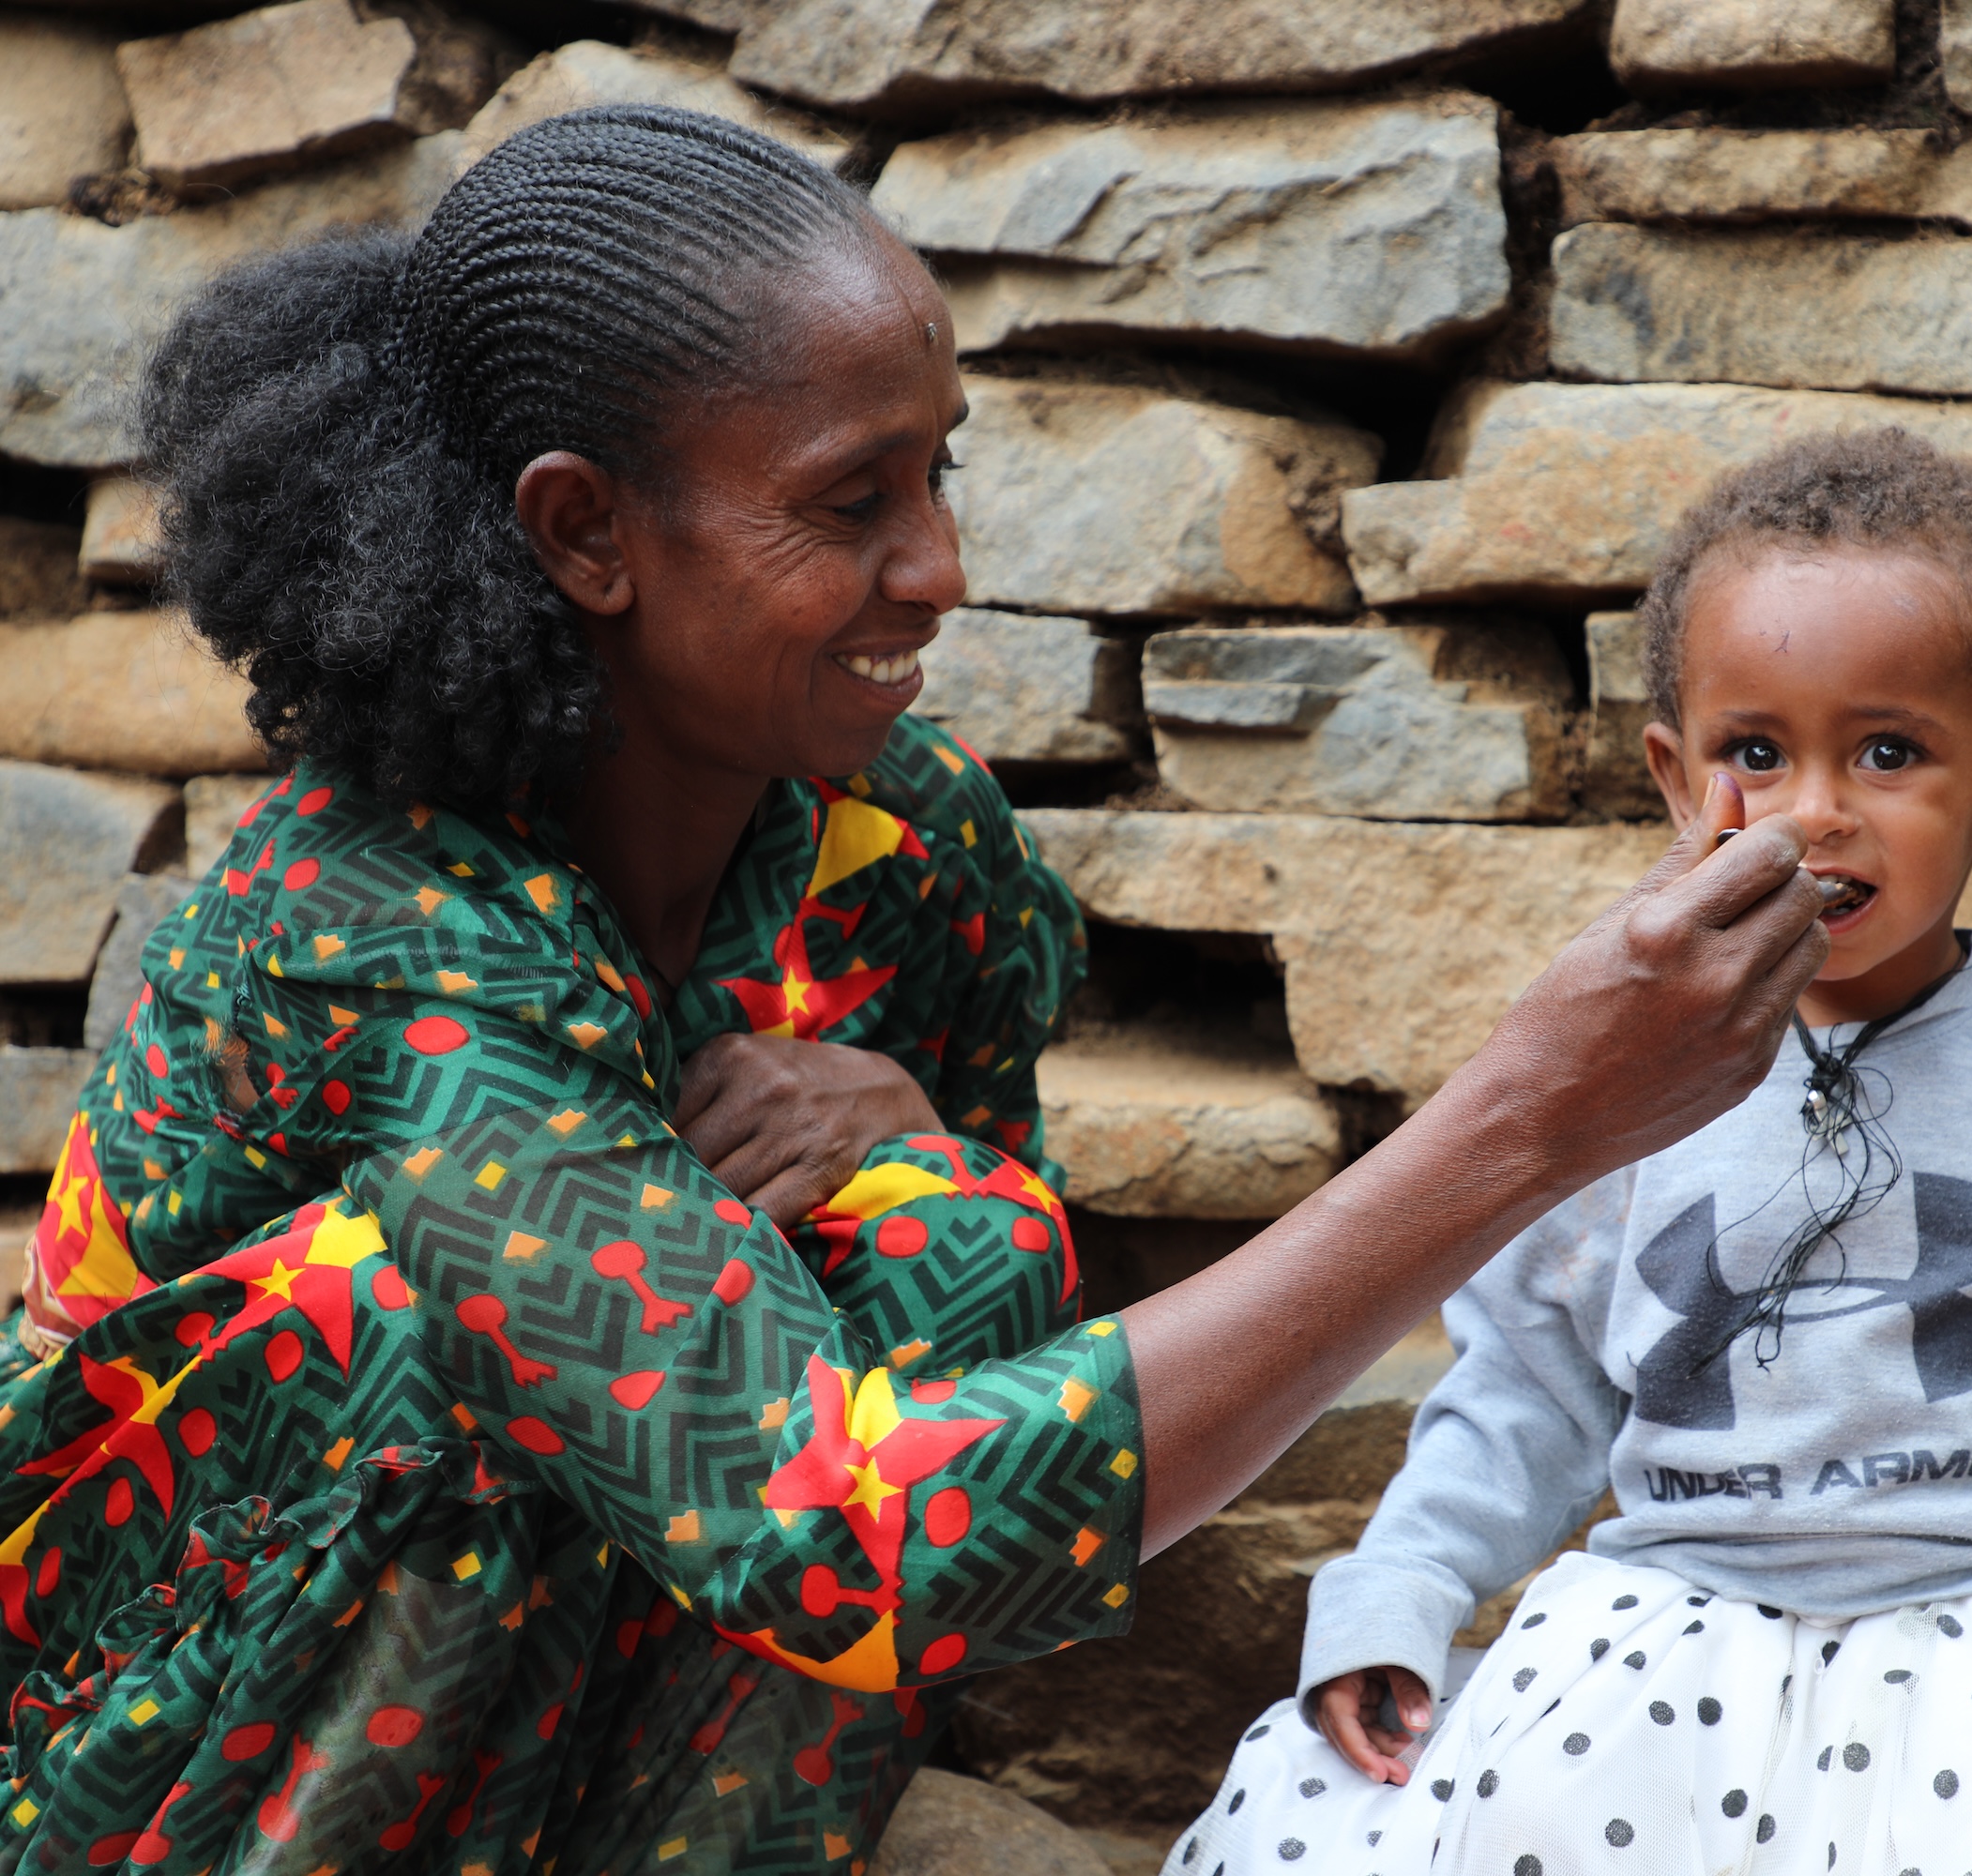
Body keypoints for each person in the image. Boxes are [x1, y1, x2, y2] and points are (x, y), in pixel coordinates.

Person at [3, 107, 1837, 1874]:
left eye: (937, 470)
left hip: (570, 1710)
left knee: (947, 1231)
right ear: (583, 534)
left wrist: (922, 1132)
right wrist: (1525, 1122)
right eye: (849, 501)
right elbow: (855, 1535)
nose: (942, 569)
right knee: (418, 1327)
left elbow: (999, 1283)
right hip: (117, 1732)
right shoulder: (378, 935)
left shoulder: (890, 836)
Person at [1173, 431, 1972, 1876]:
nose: (1816, 808)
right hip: (1665, 1645)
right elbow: (1520, 1392)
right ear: (1681, 782)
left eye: (1888, 751)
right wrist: (1397, 1595)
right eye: (1755, 752)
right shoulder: (1616, 1077)